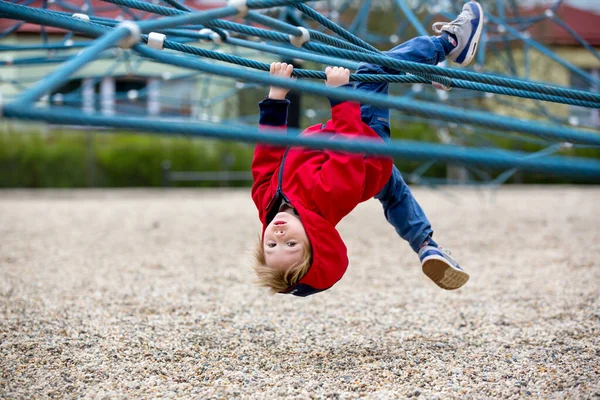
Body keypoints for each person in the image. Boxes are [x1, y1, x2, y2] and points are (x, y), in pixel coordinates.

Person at [251, 1, 484, 297]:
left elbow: (267, 154)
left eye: (271, 245)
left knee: (395, 197)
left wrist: (276, 97)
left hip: (371, 171)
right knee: (372, 69)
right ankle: (450, 44)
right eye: (291, 245)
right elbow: (349, 150)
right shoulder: (325, 198)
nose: (279, 235)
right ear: (315, 239)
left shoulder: (267, 203)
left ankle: (426, 247)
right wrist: (341, 97)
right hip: (364, 139)